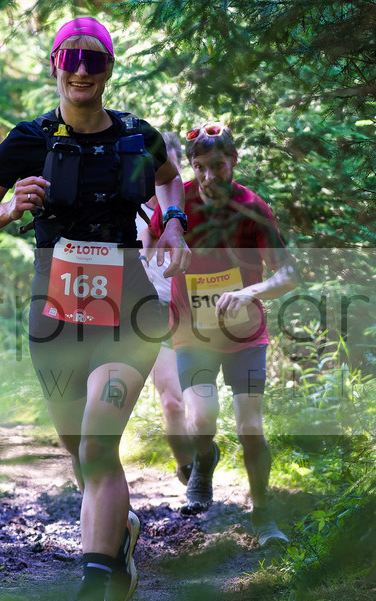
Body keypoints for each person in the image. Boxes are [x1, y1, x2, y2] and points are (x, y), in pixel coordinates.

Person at [0, 17, 190, 601]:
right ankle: (121, 533)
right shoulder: (27, 140)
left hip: (128, 308)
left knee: (96, 444)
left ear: (109, 69)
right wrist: (9, 207)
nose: (83, 70)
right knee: (82, 451)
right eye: (72, 59)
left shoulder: (138, 135)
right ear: (55, 65)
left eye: (95, 60)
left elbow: (170, 177)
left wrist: (170, 222)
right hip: (54, 308)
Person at [148, 122, 296, 548]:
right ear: (191, 167)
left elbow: (290, 272)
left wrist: (251, 290)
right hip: (192, 334)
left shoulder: (253, 207)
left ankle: (263, 515)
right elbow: (153, 246)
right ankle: (205, 459)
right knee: (202, 417)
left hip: (246, 335)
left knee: (251, 425)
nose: (209, 177)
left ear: (233, 161)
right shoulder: (179, 204)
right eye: (199, 168)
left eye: (218, 166)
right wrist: (170, 252)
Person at [136, 131, 195, 484]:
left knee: (197, 401)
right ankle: (188, 468)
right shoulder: (123, 211)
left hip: (191, 312)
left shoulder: (188, 210)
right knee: (172, 400)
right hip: (149, 311)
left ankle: (199, 456)